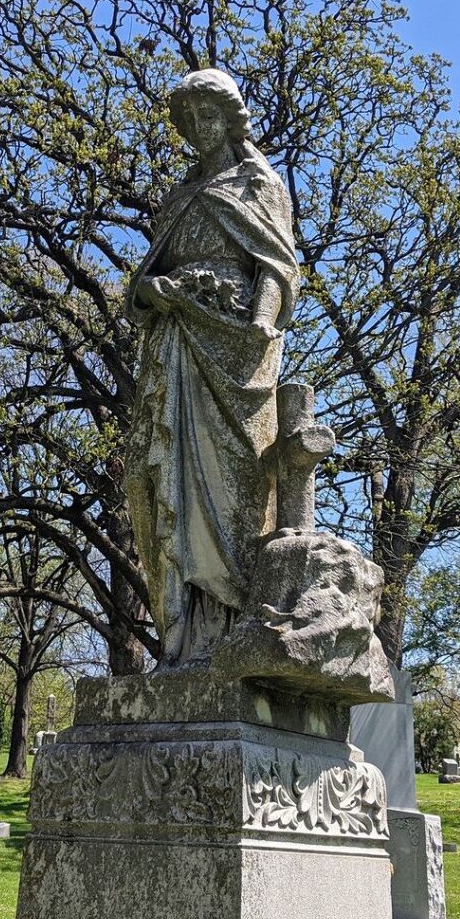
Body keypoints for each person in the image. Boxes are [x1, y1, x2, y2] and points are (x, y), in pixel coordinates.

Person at [125, 68, 300, 666]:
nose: (200, 129)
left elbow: (278, 266)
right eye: (191, 119)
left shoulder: (259, 184)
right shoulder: (178, 197)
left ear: (230, 119)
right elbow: (140, 287)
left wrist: (261, 322)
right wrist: (158, 291)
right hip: (178, 348)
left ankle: (235, 633)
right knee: (158, 479)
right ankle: (180, 634)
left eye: (209, 116)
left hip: (237, 349)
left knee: (241, 486)